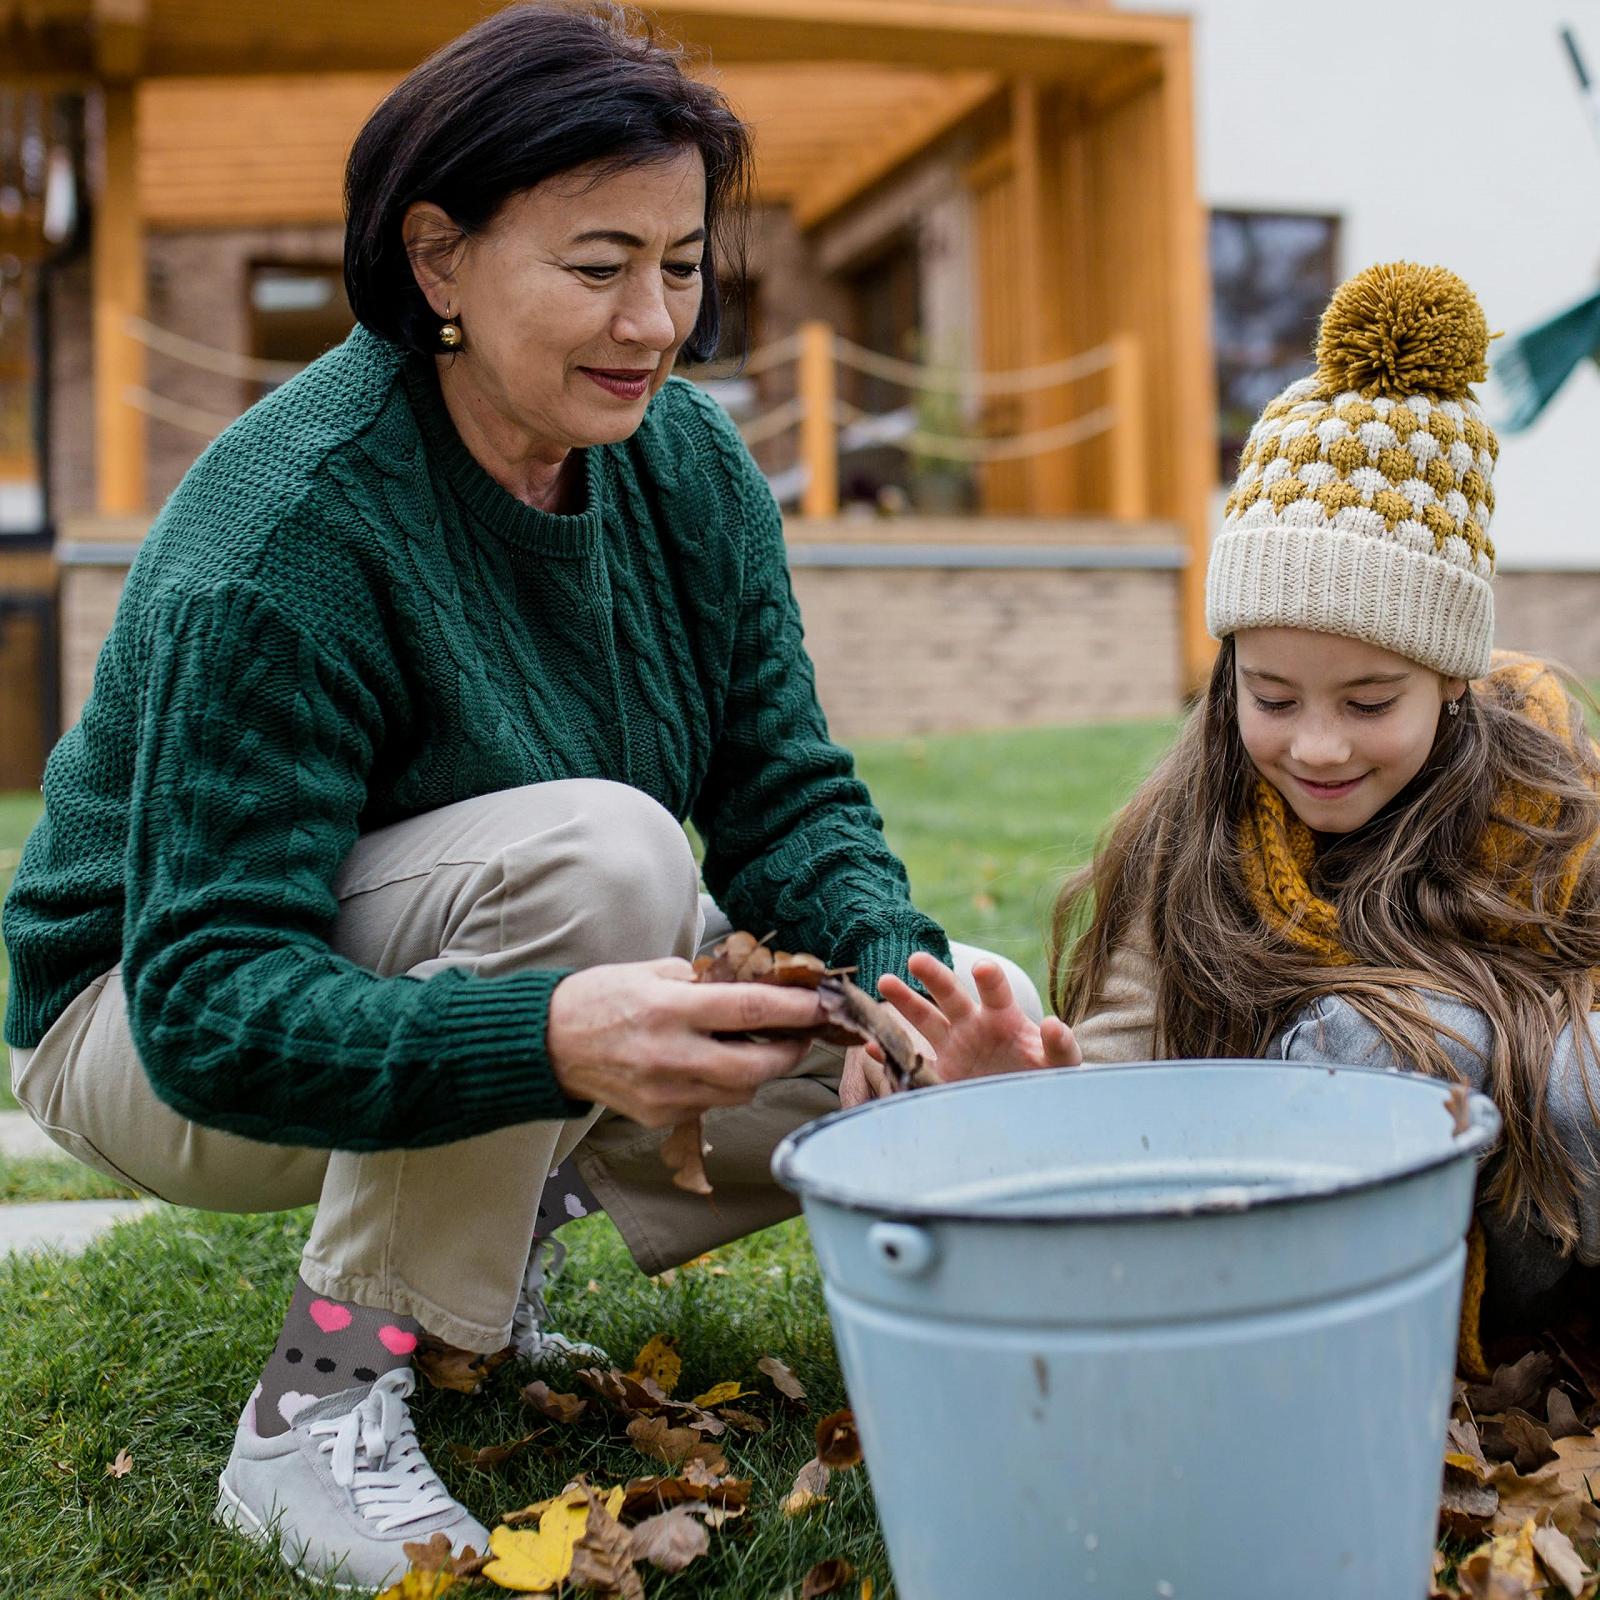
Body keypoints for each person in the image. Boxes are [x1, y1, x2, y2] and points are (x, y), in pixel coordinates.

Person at [1, 6, 1036, 1588]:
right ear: (438, 263)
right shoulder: (289, 534)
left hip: (450, 957)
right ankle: (320, 1403)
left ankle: (483, 1254)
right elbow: (208, 999)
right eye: (596, 263)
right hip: (140, 1024)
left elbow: (786, 795)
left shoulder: (689, 470)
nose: (652, 320)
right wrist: (547, 1038)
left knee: (893, 1064)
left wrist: (911, 993)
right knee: (609, 856)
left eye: (683, 265)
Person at [880, 260, 1600, 1365]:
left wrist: (1515, 1042)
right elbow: (1132, 1074)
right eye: (1270, 696)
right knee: (1368, 1039)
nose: (1314, 744)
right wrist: (1034, 1106)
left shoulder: (1546, 781)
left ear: (1453, 680)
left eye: (1369, 701)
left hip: (1543, 1221)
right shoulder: (1195, 836)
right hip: (1329, 1244)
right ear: (1228, 678)